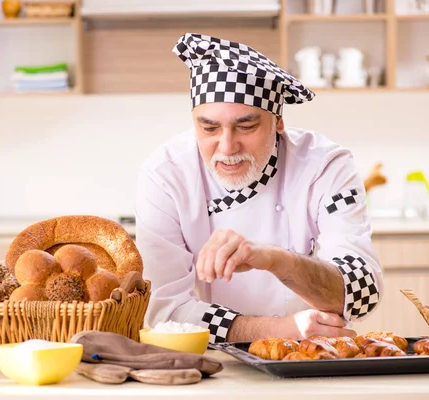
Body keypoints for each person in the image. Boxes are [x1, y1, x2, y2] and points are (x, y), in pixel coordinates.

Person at [134, 33, 383, 344]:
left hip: (311, 353)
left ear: (278, 121)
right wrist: (279, 331)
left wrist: (277, 260)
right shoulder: (166, 175)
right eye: (209, 127)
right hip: (216, 356)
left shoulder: (324, 166)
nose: (226, 147)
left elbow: (362, 293)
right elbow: (163, 313)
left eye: (246, 126)